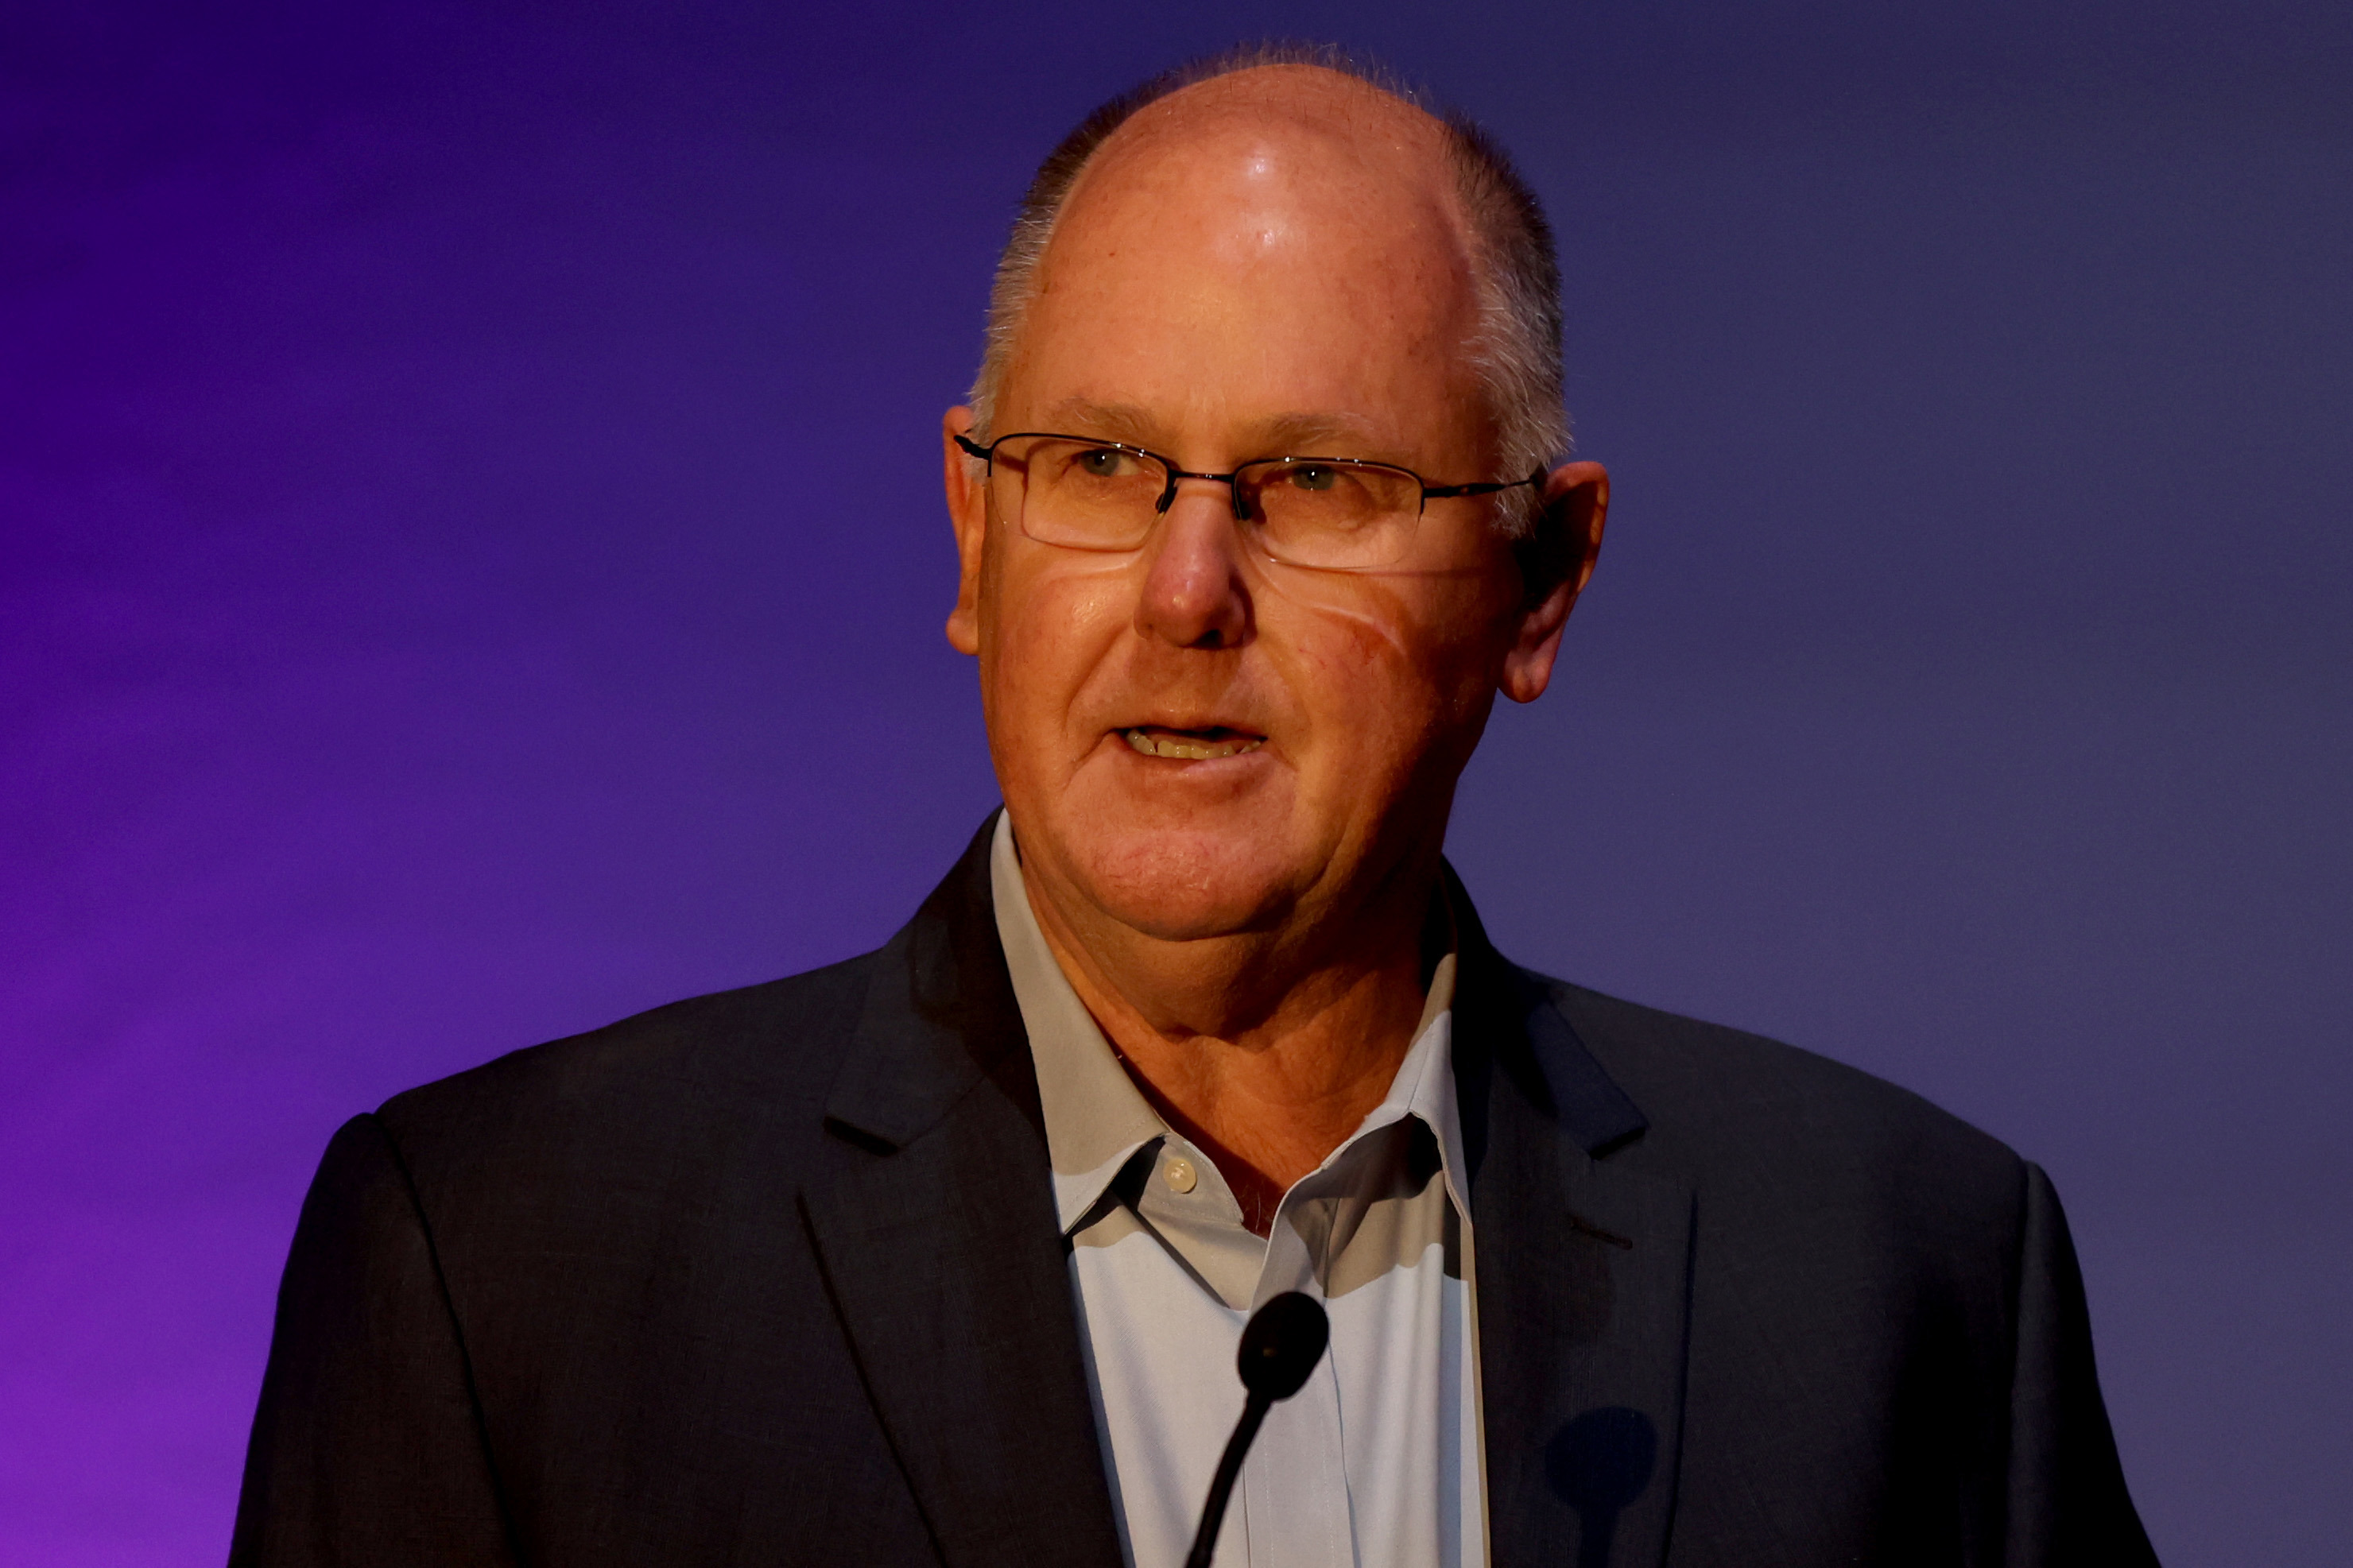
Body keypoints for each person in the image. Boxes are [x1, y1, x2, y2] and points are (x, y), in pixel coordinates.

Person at [230, 45, 2157, 1568]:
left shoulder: (1895, 1282)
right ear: (976, 534)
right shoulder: (506, 1273)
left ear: (1541, 579)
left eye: (1314, 483)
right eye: (1098, 463)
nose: (1183, 591)